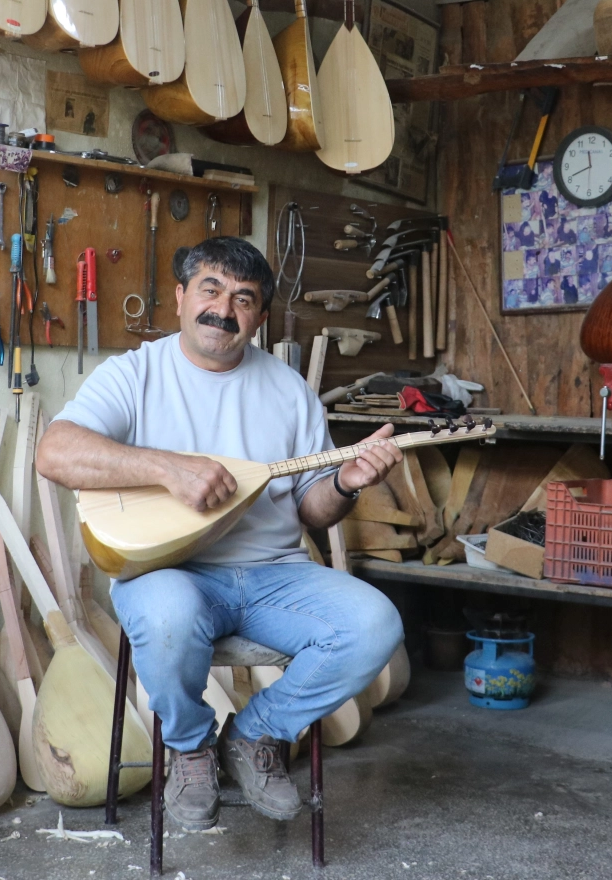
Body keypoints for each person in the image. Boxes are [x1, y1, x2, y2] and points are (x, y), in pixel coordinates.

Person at [36, 236, 405, 833]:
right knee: (169, 616)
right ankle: (189, 748)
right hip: (167, 571)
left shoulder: (288, 390)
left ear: (258, 317)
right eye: (209, 290)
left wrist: (346, 482)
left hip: (274, 576)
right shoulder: (134, 374)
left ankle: (255, 735)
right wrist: (165, 468)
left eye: (243, 298)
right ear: (180, 297)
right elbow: (54, 453)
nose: (223, 309)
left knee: (375, 624)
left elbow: (312, 511)